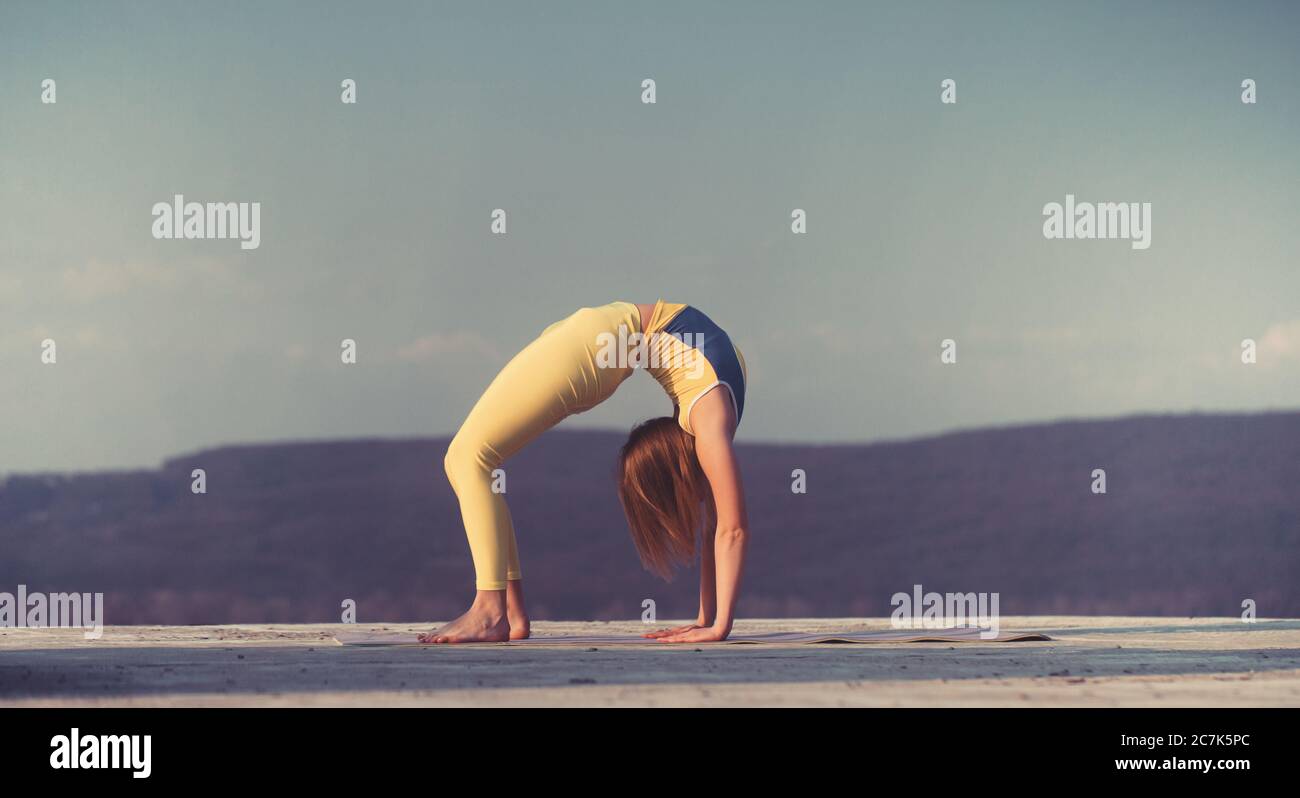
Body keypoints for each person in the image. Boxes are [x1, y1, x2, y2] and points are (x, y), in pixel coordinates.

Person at [421, 300, 749, 644]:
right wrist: (717, 626)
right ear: (680, 476)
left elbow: (721, 526)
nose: (696, 502)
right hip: (595, 343)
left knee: (468, 459)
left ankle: (503, 614)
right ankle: (496, 612)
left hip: (600, 336)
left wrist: (707, 619)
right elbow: (733, 529)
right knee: (468, 459)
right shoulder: (711, 426)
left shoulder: (713, 418)